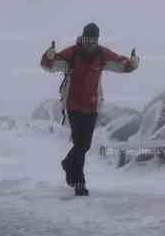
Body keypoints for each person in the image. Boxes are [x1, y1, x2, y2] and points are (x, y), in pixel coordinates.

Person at [40, 22, 139, 196]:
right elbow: (50, 65)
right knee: (80, 144)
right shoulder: (72, 53)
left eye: (93, 40)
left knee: (84, 146)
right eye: (87, 39)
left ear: (97, 40)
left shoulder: (101, 54)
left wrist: (133, 62)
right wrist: (48, 55)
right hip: (73, 105)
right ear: (82, 38)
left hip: (92, 106)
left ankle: (68, 164)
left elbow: (120, 63)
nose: (90, 44)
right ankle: (79, 183)